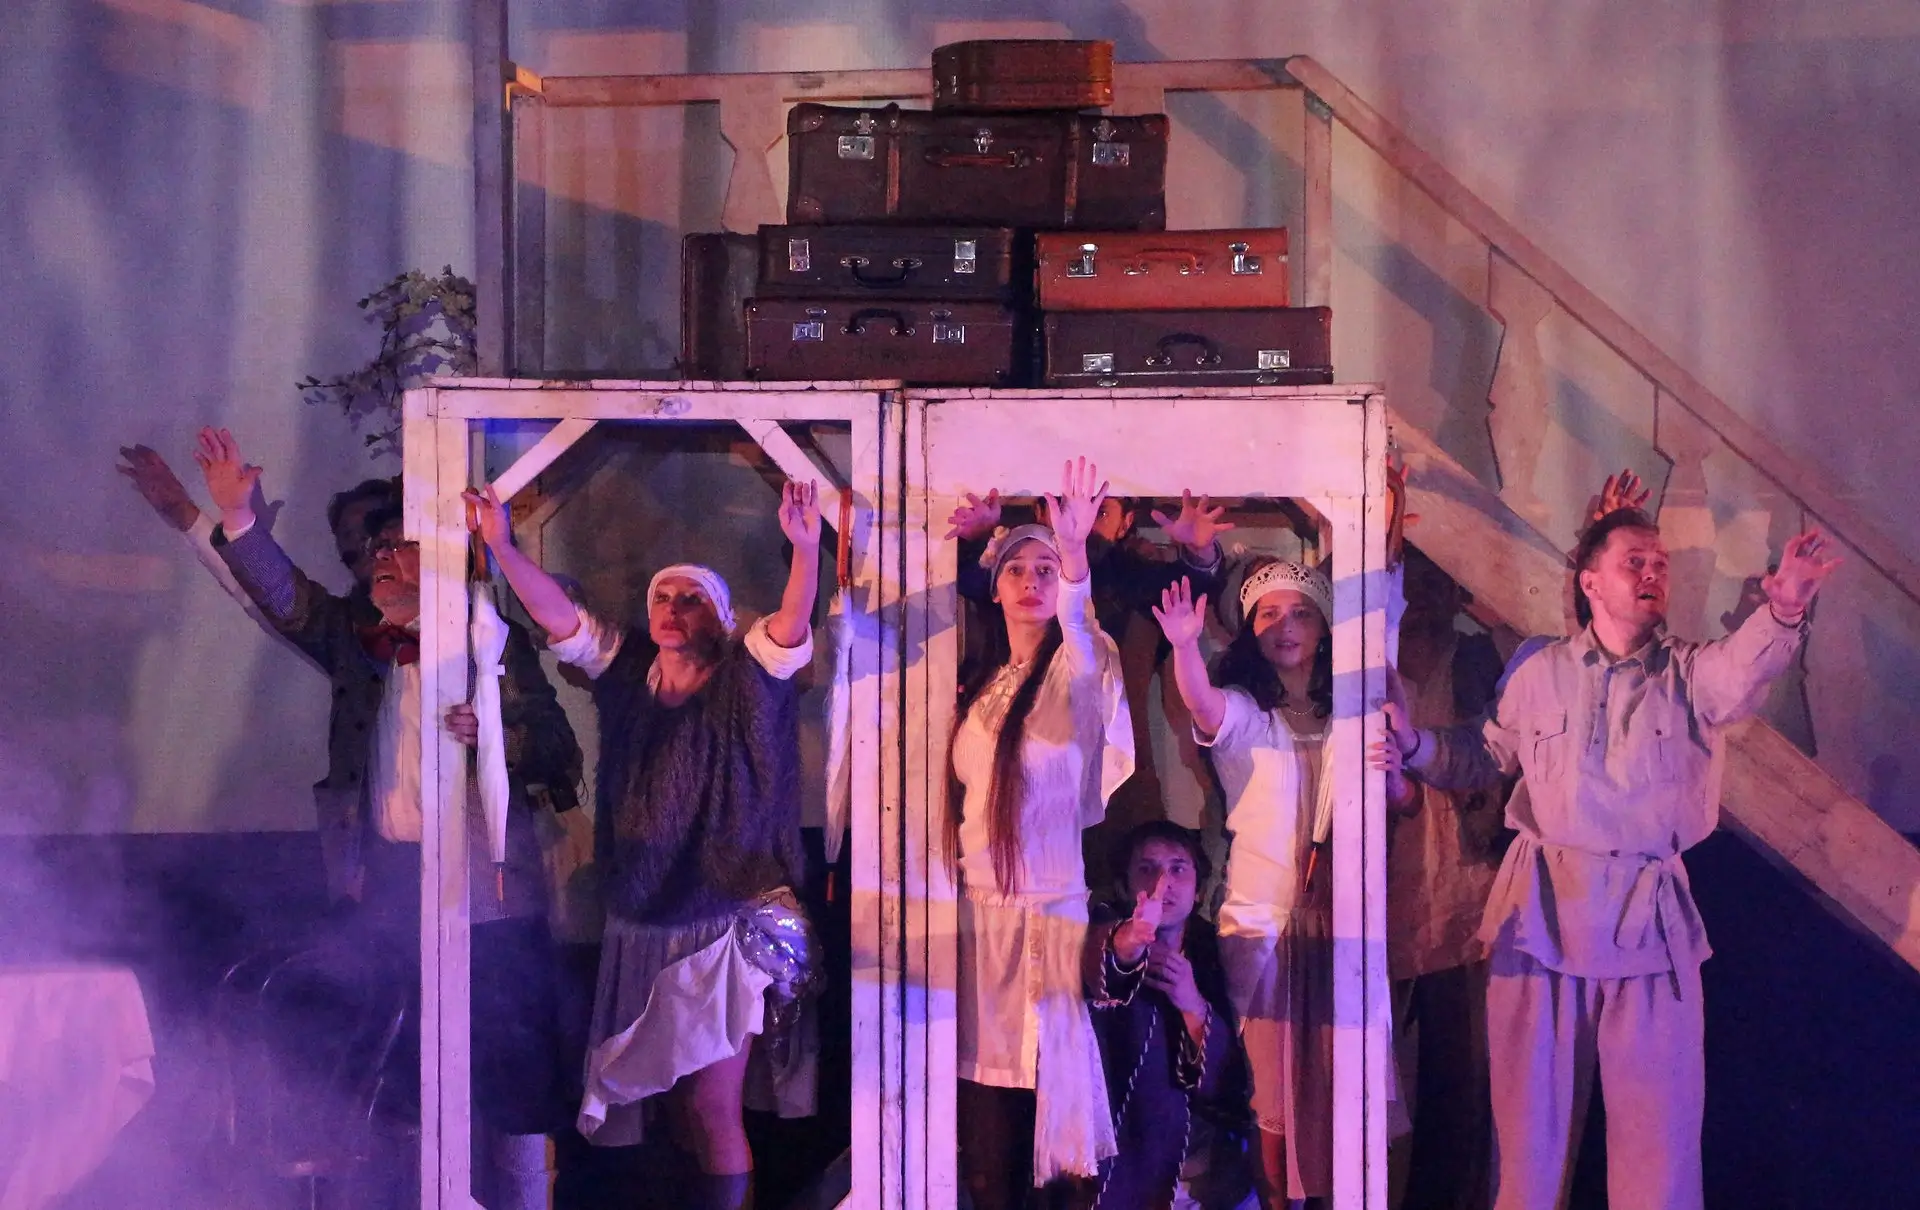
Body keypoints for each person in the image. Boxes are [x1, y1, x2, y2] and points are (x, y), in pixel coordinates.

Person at [1384, 506, 1841, 1210]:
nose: (1653, 572)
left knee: (1658, 1152)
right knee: (1527, 1148)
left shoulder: (1691, 674)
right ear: (1590, 581)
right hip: (1541, 919)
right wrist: (1414, 746)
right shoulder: (1539, 667)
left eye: (1660, 564)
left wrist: (1782, 610)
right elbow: (1485, 753)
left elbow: (1744, 670)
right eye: (1635, 561)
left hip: (1647, 924)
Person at [193, 428, 581, 1210]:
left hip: (487, 890)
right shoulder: (357, 640)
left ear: (440, 561)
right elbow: (288, 599)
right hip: (391, 881)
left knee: (510, 1071)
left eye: (401, 546)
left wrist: (497, 732)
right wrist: (237, 517)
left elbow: (558, 751)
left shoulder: (486, 642)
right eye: (376, 547)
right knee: (400, 1069)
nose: (382, 557)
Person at [466, 476, 823, 1210]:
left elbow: (789, 629)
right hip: (642, 918)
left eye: (690, 599)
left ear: (719, 617)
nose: (672, 608)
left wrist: (806, 551)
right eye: (663, 596)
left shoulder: (746, 678)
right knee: (659, 1108)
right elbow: (561, 619)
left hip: (723, 921)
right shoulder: (628, 671)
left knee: (712, 1104)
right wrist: (500, 545)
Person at [1154, 558, 1414, 1209]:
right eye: (1269, 614)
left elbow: (1394, 801)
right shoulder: (1248, 712)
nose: (1286, 625)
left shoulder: (1353, 712)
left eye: (1300, 612)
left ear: (1324, 627)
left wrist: (1396, 779)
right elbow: (1203, 704)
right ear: (1252, 631)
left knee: (1348, 1081)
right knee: (1273, 1094)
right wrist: (1184, 646)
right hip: (1263, 923)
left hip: (1344, 920)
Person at [948, 458, 1135, 1210]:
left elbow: (1082, 636)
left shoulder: (1080, 670)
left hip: (1047, 913)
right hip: (975, 915)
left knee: (1054, 1120)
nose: (1032, 581)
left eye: (1046, 570)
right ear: (994, 587)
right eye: (1017, 569)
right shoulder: (981, 684)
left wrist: (1078, 553)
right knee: (984, 1115)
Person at [948, 488, 1232, 886]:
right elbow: (974, 581)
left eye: (1098, 512)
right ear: (1042, 511)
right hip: (1013, 775)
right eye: (1064, 508)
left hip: (1112, 766)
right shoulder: (1018, 576)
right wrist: (979, 538)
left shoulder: (1124, 575)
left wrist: (1200, 554)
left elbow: (1183, 595)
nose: (1079, 520)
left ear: (1126, 522)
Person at [1083, 821, 1257, 1210]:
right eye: (1147, 869)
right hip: (1122, 1156)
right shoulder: (1103, 929)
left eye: (1178, 869)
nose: (1163, 883)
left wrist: (1191, 1001)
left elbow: (1226, 1081)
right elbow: (1105, 965)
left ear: (1198, 890)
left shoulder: (1214, 951)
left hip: (1204, 1159)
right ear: (1125, 886)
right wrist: (1130, 944)